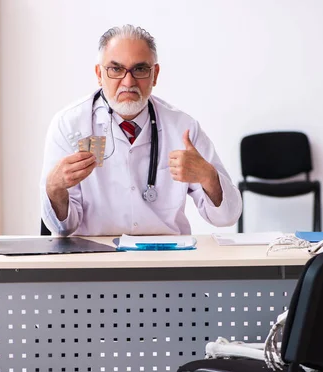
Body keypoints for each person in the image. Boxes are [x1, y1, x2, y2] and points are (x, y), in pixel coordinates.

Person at [40, 25, 242, 236]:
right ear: (100, 74)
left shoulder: (182, 128)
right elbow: (62, 229)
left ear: (154, 74)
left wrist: (208, 176)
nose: (128, 82)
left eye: (140, 69)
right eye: (116, 69)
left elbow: (227, 217)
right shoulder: (70, 125)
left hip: (165, 258)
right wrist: (55, 189)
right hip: (95, 258)